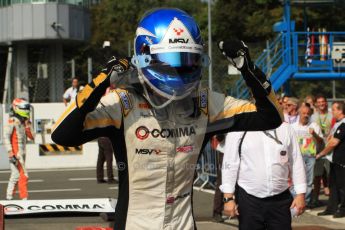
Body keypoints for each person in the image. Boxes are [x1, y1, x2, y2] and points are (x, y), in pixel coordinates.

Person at [51, 8, 283, 230]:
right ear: (144, 56)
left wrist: (247, 68)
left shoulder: (206, 102)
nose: (178, 70)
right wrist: (103, 79)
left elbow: (270, 117)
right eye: (169, 60)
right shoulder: (123, 103)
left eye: (187, 60)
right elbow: (62, 134)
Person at [220, 122, 306, 230]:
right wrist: (228, 198)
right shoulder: (238, 129)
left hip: (280, 200)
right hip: (249, 200)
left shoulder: (286, 128)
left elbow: (296, 161)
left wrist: (301, 194)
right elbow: (229, 164)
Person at [316, 101, 345, 218]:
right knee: (332, 184)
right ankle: (331, 208)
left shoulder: (344, 124)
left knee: (342, 187)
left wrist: (321, 154)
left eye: (333, 109)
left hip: (342, 161)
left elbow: (334, 143)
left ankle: (343, 209)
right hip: (334, 160)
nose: (331, 112)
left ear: (340, 110)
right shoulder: (337, 124)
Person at [292, 104, 323, 208]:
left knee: (309, 180)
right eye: (303, 113)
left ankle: (306, 201)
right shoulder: (293, 127)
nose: (306, 115)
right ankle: (294, 199)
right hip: (297, 156)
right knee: (295, 178)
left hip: (310, 156)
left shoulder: (314, 126)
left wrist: (314, 134)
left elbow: (320, 141)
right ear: (299, 113)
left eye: (308, 114)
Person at [4, 98, 34, 200]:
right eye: (25, 108)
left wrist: (28, 127)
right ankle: (24, 199)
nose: (27, 110)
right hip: (16, 154)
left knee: (15, 175)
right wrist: (10, 152)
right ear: (17, 108)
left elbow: (32, 137)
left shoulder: (25, 121)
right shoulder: (12, 120)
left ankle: (8, 198)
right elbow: (6, 137)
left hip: (22, 152)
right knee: (24, 175)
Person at [311, 95, 334, 205]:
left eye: (323, 101)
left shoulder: (332, 114)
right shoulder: (313, 116)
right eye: (319, 102)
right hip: (318, 150)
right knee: (317, 176)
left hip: (331, 149)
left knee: (331, 174)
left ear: (326, 102)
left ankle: (334, 199)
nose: (321, 104)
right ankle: (315, 199)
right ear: (316, 104)